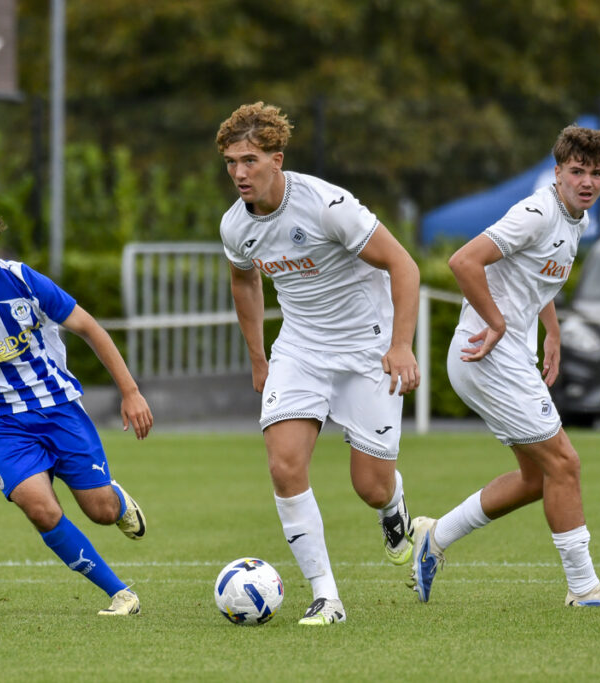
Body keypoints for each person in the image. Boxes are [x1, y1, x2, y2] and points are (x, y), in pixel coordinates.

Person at [409, 125, 600, 608]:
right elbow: (463, 262)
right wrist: (495, 323)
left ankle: (433, 539)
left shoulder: (572, 218)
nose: (587, 181)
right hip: (488, 354)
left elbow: (532, 277)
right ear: (557, 172)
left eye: (597, 173)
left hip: (504, 355)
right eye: (577, 171)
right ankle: (584, 589)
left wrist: (552, 331)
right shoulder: (538, 212)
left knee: (537, 477)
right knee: (565, 464)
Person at [216, 102, 422, 625]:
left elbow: (404, 265)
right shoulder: (235, 226)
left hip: (366, 351)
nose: (240, 173)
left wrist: (401, 345)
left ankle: (394, 507)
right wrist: (259, 359)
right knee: (284, 464)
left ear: (276, 159)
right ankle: (326, 597)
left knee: (369, 485)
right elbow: (245, 280)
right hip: (300, 350)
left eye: (250, 160)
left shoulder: (328, 205)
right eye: (231, 163)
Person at [0, 189, 153, 616]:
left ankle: (115, 501)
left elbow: (89, 328)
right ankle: (120, 593)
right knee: (40, 509)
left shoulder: (24, 280)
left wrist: (131, 392)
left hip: (58, 406)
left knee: (99, 511)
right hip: (0, 425)